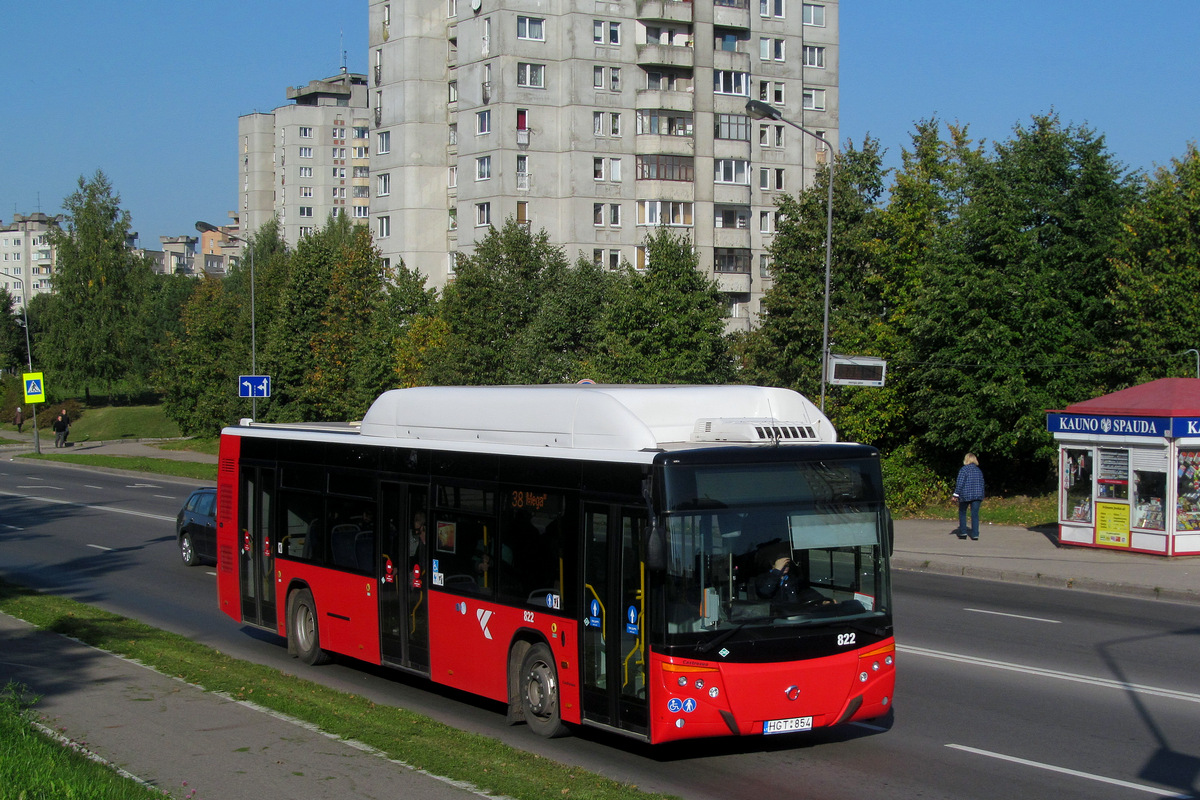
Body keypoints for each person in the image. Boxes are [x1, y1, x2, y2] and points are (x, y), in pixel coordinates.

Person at [754, 544, 828, 609]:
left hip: (794, 616)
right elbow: (765, 592)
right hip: (775, 617)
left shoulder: (792, 579)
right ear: (773, 564)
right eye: (783, 564)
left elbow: (805, 592)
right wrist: (776, 572)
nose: (786, 566)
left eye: (788, 564)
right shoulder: (763, 578)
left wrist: (822, 600)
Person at [953, 452, 986, 541]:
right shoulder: (978, 470)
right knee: (975, 514)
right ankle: (975, 534)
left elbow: (960, 483)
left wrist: (956, 494)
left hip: (965, 494)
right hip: (977, 495)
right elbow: (982, 483)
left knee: (962, 512)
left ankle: (963, 532)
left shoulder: (964, 470)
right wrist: (982, 495)